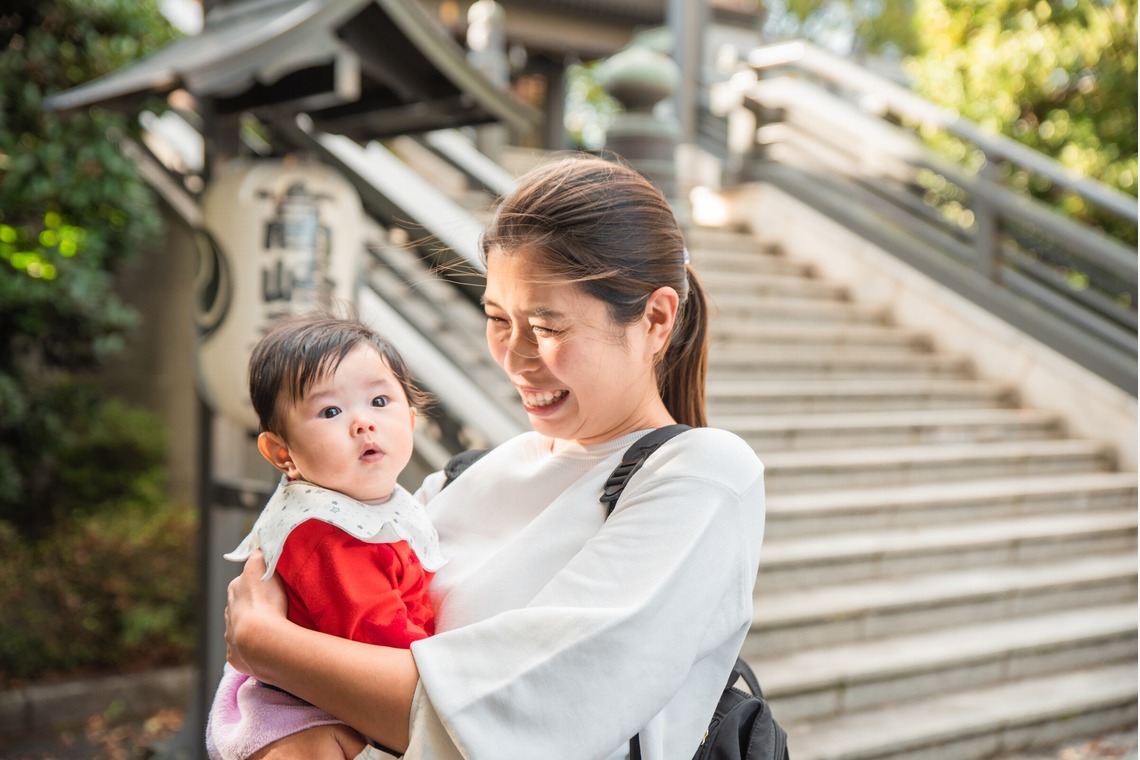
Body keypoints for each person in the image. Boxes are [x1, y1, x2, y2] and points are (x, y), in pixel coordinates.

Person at [215, 154, 767, 760]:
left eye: (547, 328)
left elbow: (526, 720)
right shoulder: (459, 479)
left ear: (656, 319)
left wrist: (268, 645)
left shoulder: (702, 476)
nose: (515, 356)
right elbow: (273, 670)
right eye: (498, 319)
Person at [207, 314, 444, 760]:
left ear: (411, 421)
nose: (363, 423)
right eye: (331, 411)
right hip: (305, 718)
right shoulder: (326, 535)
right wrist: (455, 669)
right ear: (283, 453)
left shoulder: (381, 506)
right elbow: (379, 638)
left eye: (379, 401)